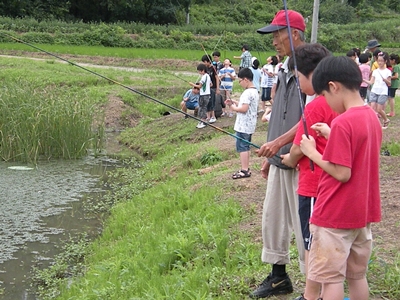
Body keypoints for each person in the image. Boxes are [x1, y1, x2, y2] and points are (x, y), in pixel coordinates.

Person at [299, 55, 382, 300]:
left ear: (333, 86)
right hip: (361, 213)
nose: (326, 101)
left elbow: (342, 173)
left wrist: (312, 152)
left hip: (334, 213)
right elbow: (358, 150)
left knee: (330, 278)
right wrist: (332, 131)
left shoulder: (344, 122)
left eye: (324, 95)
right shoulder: (371, 118)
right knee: (357, 275)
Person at [250, 9, 307, 298]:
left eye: (278, 34)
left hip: (303, 161)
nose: (274, 41)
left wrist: (281, 144)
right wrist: (271, 155)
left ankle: (316, 287)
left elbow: (312, 117)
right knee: (272, 219)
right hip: (280, 159)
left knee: (304, 224)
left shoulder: (311, 67)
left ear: (294, 33)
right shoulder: (283, 68)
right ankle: (278, 277)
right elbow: (277, 116)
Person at [280, 43, 338, 300]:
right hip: (334, 186)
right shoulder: (342, 104)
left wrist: (289, 159)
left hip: (314, 188)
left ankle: (314, 295)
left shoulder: (315, 106)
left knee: (312, 246)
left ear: (312, 75)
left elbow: (297, 150)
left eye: (299, 77)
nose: (298, 82)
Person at [225, 68, 258, 179]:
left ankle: (244, 170)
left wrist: (232, 107)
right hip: (250, 125)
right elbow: (246, 105)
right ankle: (246, 168)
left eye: (240, 81)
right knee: (246, 146)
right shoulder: (254, 91)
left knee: (242, 147)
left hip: (243, 126)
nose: (240, 84)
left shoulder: (247, 92)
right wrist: (235, 102)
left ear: (245, 79)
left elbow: (243, 109)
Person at [363, 51, 391, 128]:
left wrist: (386, 80)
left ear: (385, 61)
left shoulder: (388, 72)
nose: (380, 62)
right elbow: (371, 82)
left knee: (379, 109)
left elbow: (389, 83)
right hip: (374, 91)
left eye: (381, 61)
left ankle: (386, 119)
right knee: (372, 107)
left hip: (382, 92)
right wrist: (364, 80)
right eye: (378, 61)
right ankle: (374, 123)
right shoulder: (375, 71)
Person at [189, 63, 211, 129]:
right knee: (203, 107)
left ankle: (203, 121)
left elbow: (199, 86)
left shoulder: (204, 77)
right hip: (207, 94)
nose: (199, 72)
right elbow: (210, 84)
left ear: (202, 70)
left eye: (199, 71)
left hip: (204, 95)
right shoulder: (208, 76)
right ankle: (202, 121)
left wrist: (193, 84)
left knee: (202, 107)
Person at [201, 54, 219, 123]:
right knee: (207, 102)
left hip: (213, 87)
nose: (204, 63)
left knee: (212, 101)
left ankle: (213, 116)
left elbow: (217, 78)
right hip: (207, 89)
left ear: (207, 61)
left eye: (204, 62)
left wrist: (217, 88)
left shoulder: (213, 68)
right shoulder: (205, 69)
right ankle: (208, 116)